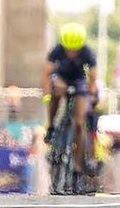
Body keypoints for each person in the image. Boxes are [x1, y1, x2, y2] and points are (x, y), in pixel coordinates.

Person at [43, 22, 99, 175]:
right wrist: (48, 94)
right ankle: (51, 126)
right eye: (68, 50)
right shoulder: (57, 50)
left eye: (75, 51)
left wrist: (92, 95)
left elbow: (93, 79)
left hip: (79, 82)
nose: (72, 53)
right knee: (56, 92)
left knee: (80, 123)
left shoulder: (87, 52)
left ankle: (77, 164)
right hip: (60, 78)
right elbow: (47, 74)